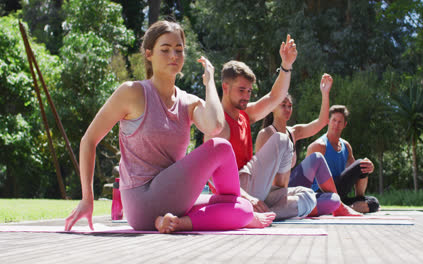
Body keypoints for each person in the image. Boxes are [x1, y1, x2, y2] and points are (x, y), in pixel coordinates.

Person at [64, 20, 275, 234]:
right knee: (220, 147)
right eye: (165, 50)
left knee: (245, 209)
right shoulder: (132, 93)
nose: (174, 55)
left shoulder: (188, 102)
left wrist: (209, 81)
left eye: (179, 50)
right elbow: (88, 140)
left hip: (172, 197)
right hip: (141, 200)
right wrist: (87, 199)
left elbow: (216, 125)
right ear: (149, 54)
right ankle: (187, 217)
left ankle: (173, 222)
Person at [205, 35, 316, 220]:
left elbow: (274, 97)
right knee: (281, 139)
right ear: (225, 87)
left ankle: (256, 215)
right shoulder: (217, 123)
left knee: (308, 196)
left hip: (254, 187)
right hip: (234, 191)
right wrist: (246, 196)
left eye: (249, 91)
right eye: (241, 90)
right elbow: (211, 175)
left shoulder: (245, 114)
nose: (246, 96)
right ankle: (247, 211)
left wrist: (286, 65)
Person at [258, 75, 361, 217]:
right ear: (273, 107)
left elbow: (322, 122)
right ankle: (294, 209)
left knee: (333, 200)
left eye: (290, 106)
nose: (288, 109)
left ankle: (329, 207)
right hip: (271, 196)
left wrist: (325, 93)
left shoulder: (293, 132)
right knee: (317, 158)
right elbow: (259, 174)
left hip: (290, 191)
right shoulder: (266, 134)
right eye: (283, 105)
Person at [304, 105, 380, 213]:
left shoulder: (346, 146)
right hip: (322, 195)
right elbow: (305, 178)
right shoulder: (318, 146)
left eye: (340, 121)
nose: (336, 124)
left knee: (373, 201)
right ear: (328, 122)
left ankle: (352, 204)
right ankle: (340, 207)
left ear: (345, 124)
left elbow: (357, 173)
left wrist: (369, 167)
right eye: (334, 120)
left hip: (339, 193)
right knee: (360, 163)